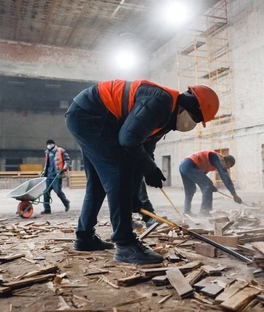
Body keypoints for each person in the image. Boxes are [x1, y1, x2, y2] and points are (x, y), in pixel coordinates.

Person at [65, 79, 219, 264]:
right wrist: (150, 169)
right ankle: (125, 245)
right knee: (118, 175)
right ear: (189, 108)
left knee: (99, 183)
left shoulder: (166, 119)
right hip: (90, 115)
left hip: (90, 117)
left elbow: (144, 151)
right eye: (196, 118)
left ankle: (85, 238)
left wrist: (138, 187)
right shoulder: (161, 103)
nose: (194, 123)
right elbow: (128, 140)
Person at [179, 151, 242, 216]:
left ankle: (186, 212)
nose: (228, 168)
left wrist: (211, 186)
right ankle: (205, 212)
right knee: (207, 186)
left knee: (190, 190)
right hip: (189, 165)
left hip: (183, 166)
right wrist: (234, 195)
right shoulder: (218, 159)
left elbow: (201, 176)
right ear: (228, 162)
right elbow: (225, 177)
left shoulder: (212, 160)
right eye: (229, 166)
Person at [40, 139, 71, 214]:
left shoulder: (60, 150)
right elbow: (47, 164)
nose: (49, 145)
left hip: (56, 175)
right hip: (49, 176)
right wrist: (44, 173)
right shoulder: (47, 152)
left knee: (58, 191)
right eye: (48, 144)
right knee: (46, 192)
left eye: (50, 144)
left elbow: (67, 161)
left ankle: (66, 203)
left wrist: (64, 168)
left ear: (54, 144)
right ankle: (47, 209)